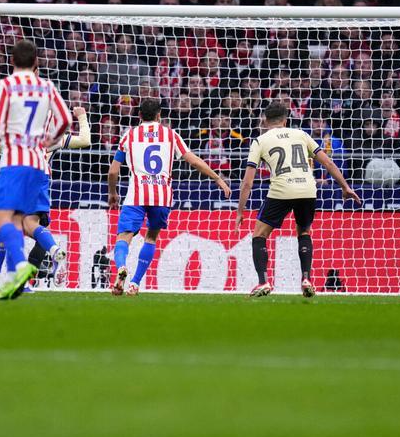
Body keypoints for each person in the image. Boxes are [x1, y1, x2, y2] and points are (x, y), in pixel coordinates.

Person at [0, 39, 70, 301]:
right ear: (37, 62)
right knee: (19, 222)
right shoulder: (46, 86)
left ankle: (21, 267)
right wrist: (49, 140)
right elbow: (66, 120)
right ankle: (13, 282)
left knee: (0, 220)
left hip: (13, 161)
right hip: (38, 164)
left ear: (12, 61)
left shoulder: (6, 85)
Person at [0, 106, 92, 294]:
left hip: (14, 178)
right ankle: (45, 260)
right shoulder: (53, 138)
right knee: (35, 228)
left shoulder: (13, 134)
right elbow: (86, 140)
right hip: (39, 179)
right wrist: (82, 116)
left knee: (1, 228)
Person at [107, 98, 231, 296]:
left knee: (124, 237)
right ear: (159, 115)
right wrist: (218, 178)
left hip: (136, 195)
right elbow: (194, 161)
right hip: (162, 196)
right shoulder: (171, 135)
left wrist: (113, 193)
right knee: (151, 237)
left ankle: (121, 267)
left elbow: (113, 172)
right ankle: (135, 283)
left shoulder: (128, 136)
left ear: (139, 116)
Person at [236, 102, 361, 297]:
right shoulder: (302, 135)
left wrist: (240, 212)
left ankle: (263, 282)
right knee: (304, 231)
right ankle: (306, 278)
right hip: (307, 189)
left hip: (282, 189)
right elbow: (328, 161)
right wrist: (345, 186)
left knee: (259, 235)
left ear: (264, 120)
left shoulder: (260, 141)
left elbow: (247, 183)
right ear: (285, 120)